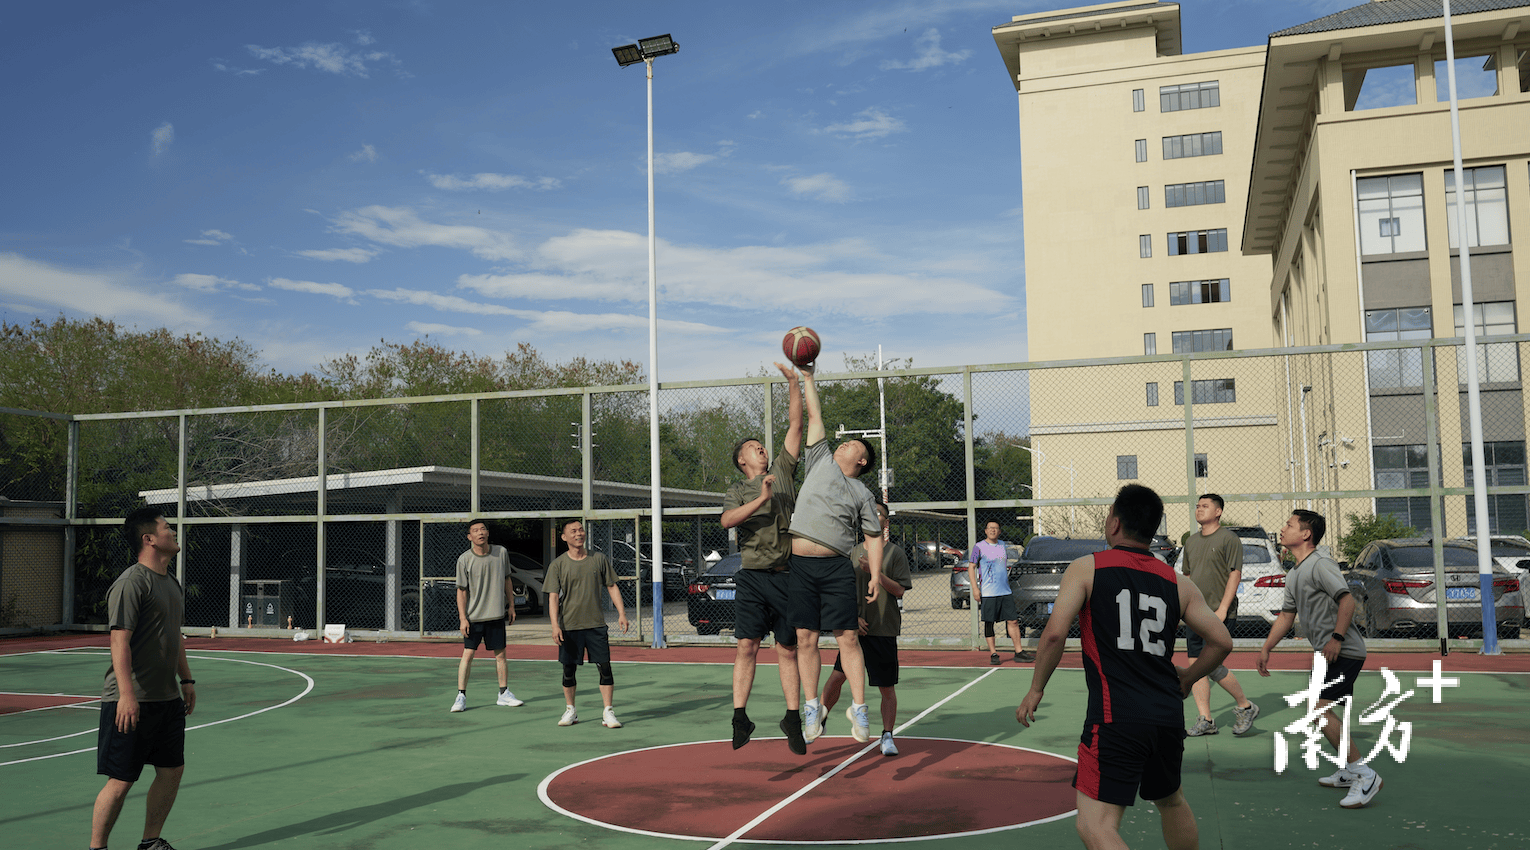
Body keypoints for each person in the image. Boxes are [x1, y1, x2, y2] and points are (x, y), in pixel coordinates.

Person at [1017, 485, 1232, 850]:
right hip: (1166, 716)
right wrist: (1188, 677)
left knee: (1095, 825)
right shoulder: (1177, 582)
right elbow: (1222, 641)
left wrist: (1036, 689)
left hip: (1115, 717)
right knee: (1171, 801)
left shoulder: (1087, 568)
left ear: (1114, 523)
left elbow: (1053, 635)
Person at [786, 363, 885, 746]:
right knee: (805, 638)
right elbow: (815, 417)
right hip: (800, 566)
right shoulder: (820, 461)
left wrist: (874, 574)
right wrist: (808, 378)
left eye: (853, 445)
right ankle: (812, 707)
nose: (845, 444)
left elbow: (873, 537)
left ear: (862, 461)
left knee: (848, 638)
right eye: (844, 442)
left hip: (836, 569)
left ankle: (859, 708)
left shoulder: (862, 493)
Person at [1258, 509, 1382, 809]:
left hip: (1344, 650)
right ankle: (1350, 770)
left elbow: (1347, 600)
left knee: (1319, 711)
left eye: (1289, 525)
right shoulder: (1294, 573)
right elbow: (1287, 616)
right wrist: (1267, 647)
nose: (1283, 528)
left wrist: (1336, 638)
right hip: (1325, 653)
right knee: (1320, 712)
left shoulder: (1320, 564)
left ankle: (1365, 775)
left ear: (1305, 534)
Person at [91, 508, 197, 850]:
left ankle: (150, 842)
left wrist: (186, 680)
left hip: (166, 699)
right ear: (148, 538)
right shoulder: (131, 583)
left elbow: (174, 635)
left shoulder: (171, 583)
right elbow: (118, 641)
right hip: (130, 700)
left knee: (171, 770)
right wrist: (126, 695)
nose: (173, 531)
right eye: (167, 527)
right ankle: (97, 847)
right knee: (121, 781)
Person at [720, 363, 805, 752]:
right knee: (747, 646)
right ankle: (740, 717)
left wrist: (794, 383)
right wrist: (763, 498)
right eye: (754, 447)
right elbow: (727, 521)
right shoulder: (739, 490)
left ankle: (792, 718)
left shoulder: (783, 471)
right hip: (753, 576)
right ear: (742, 460)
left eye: (763, 446)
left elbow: (796, 425)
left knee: (787, 649)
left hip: (787, 575)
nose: (762, 448)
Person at [821, 500, 913, 756]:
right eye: (869, 514)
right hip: (854, 630)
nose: (873, 517)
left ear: (885, 522)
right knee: (837, 678)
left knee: (886, 687)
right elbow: (841, 591)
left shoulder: (895, 553)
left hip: (883, 628)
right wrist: (853, 617)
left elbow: (899, 590)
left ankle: (887, 736)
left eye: (879, 513)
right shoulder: (852, 552)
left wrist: (875, 572)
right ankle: (819, 720)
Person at [1179, 494, 1258, 736]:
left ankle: (1245, 706)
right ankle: (1206, 720)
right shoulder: (1191, 542)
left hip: (1219, 613)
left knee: (1211, 666)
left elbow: (1235, 574)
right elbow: (1188, 577)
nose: (1199, 509)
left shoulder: (1228, 539)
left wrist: (1223, 608)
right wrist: (1184, 608)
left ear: (1218, 511)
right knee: (1195, 666)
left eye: (1205, 506)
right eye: (1197, 506)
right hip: (1195, 614)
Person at [545, 518, 629, 729]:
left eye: (581, 530)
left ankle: (608, 711)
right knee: (568, 670)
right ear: (564, 537)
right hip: (569, 626)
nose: (578, 534)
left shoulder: (598, 559)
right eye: (573, 531)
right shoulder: (558, 565)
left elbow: (612, 586)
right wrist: (555, 625)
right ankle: (570, 710)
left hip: (596, 625)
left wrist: (622, 613)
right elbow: (553, 597)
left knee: (605, 668)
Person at [450, 519, 523, 713]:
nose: (480, 532)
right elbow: (461, 591)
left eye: (483, 529)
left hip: (496, 615)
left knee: (501, 655)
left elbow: (507, 579)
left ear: (488, 533)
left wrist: (511, 606)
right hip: (473, 618)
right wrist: (463, 618)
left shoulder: (501, 553)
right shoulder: (464, 559)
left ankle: (504, 693)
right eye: (475, 530)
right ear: (470, 537)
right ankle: (461, 696)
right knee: (468, 655)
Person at [970, 521, 1034, 664]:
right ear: (986, 531)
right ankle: (993, 654)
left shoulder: (1003, 545)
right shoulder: (978, 547)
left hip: (1005, 591)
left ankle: (1019, 652)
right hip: (988, 592)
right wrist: (975, 588)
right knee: (989, 623)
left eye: (996, 528)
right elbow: (971, 567)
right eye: (990, 528)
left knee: (1013, 621)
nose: (993, 530)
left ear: (999, 532)